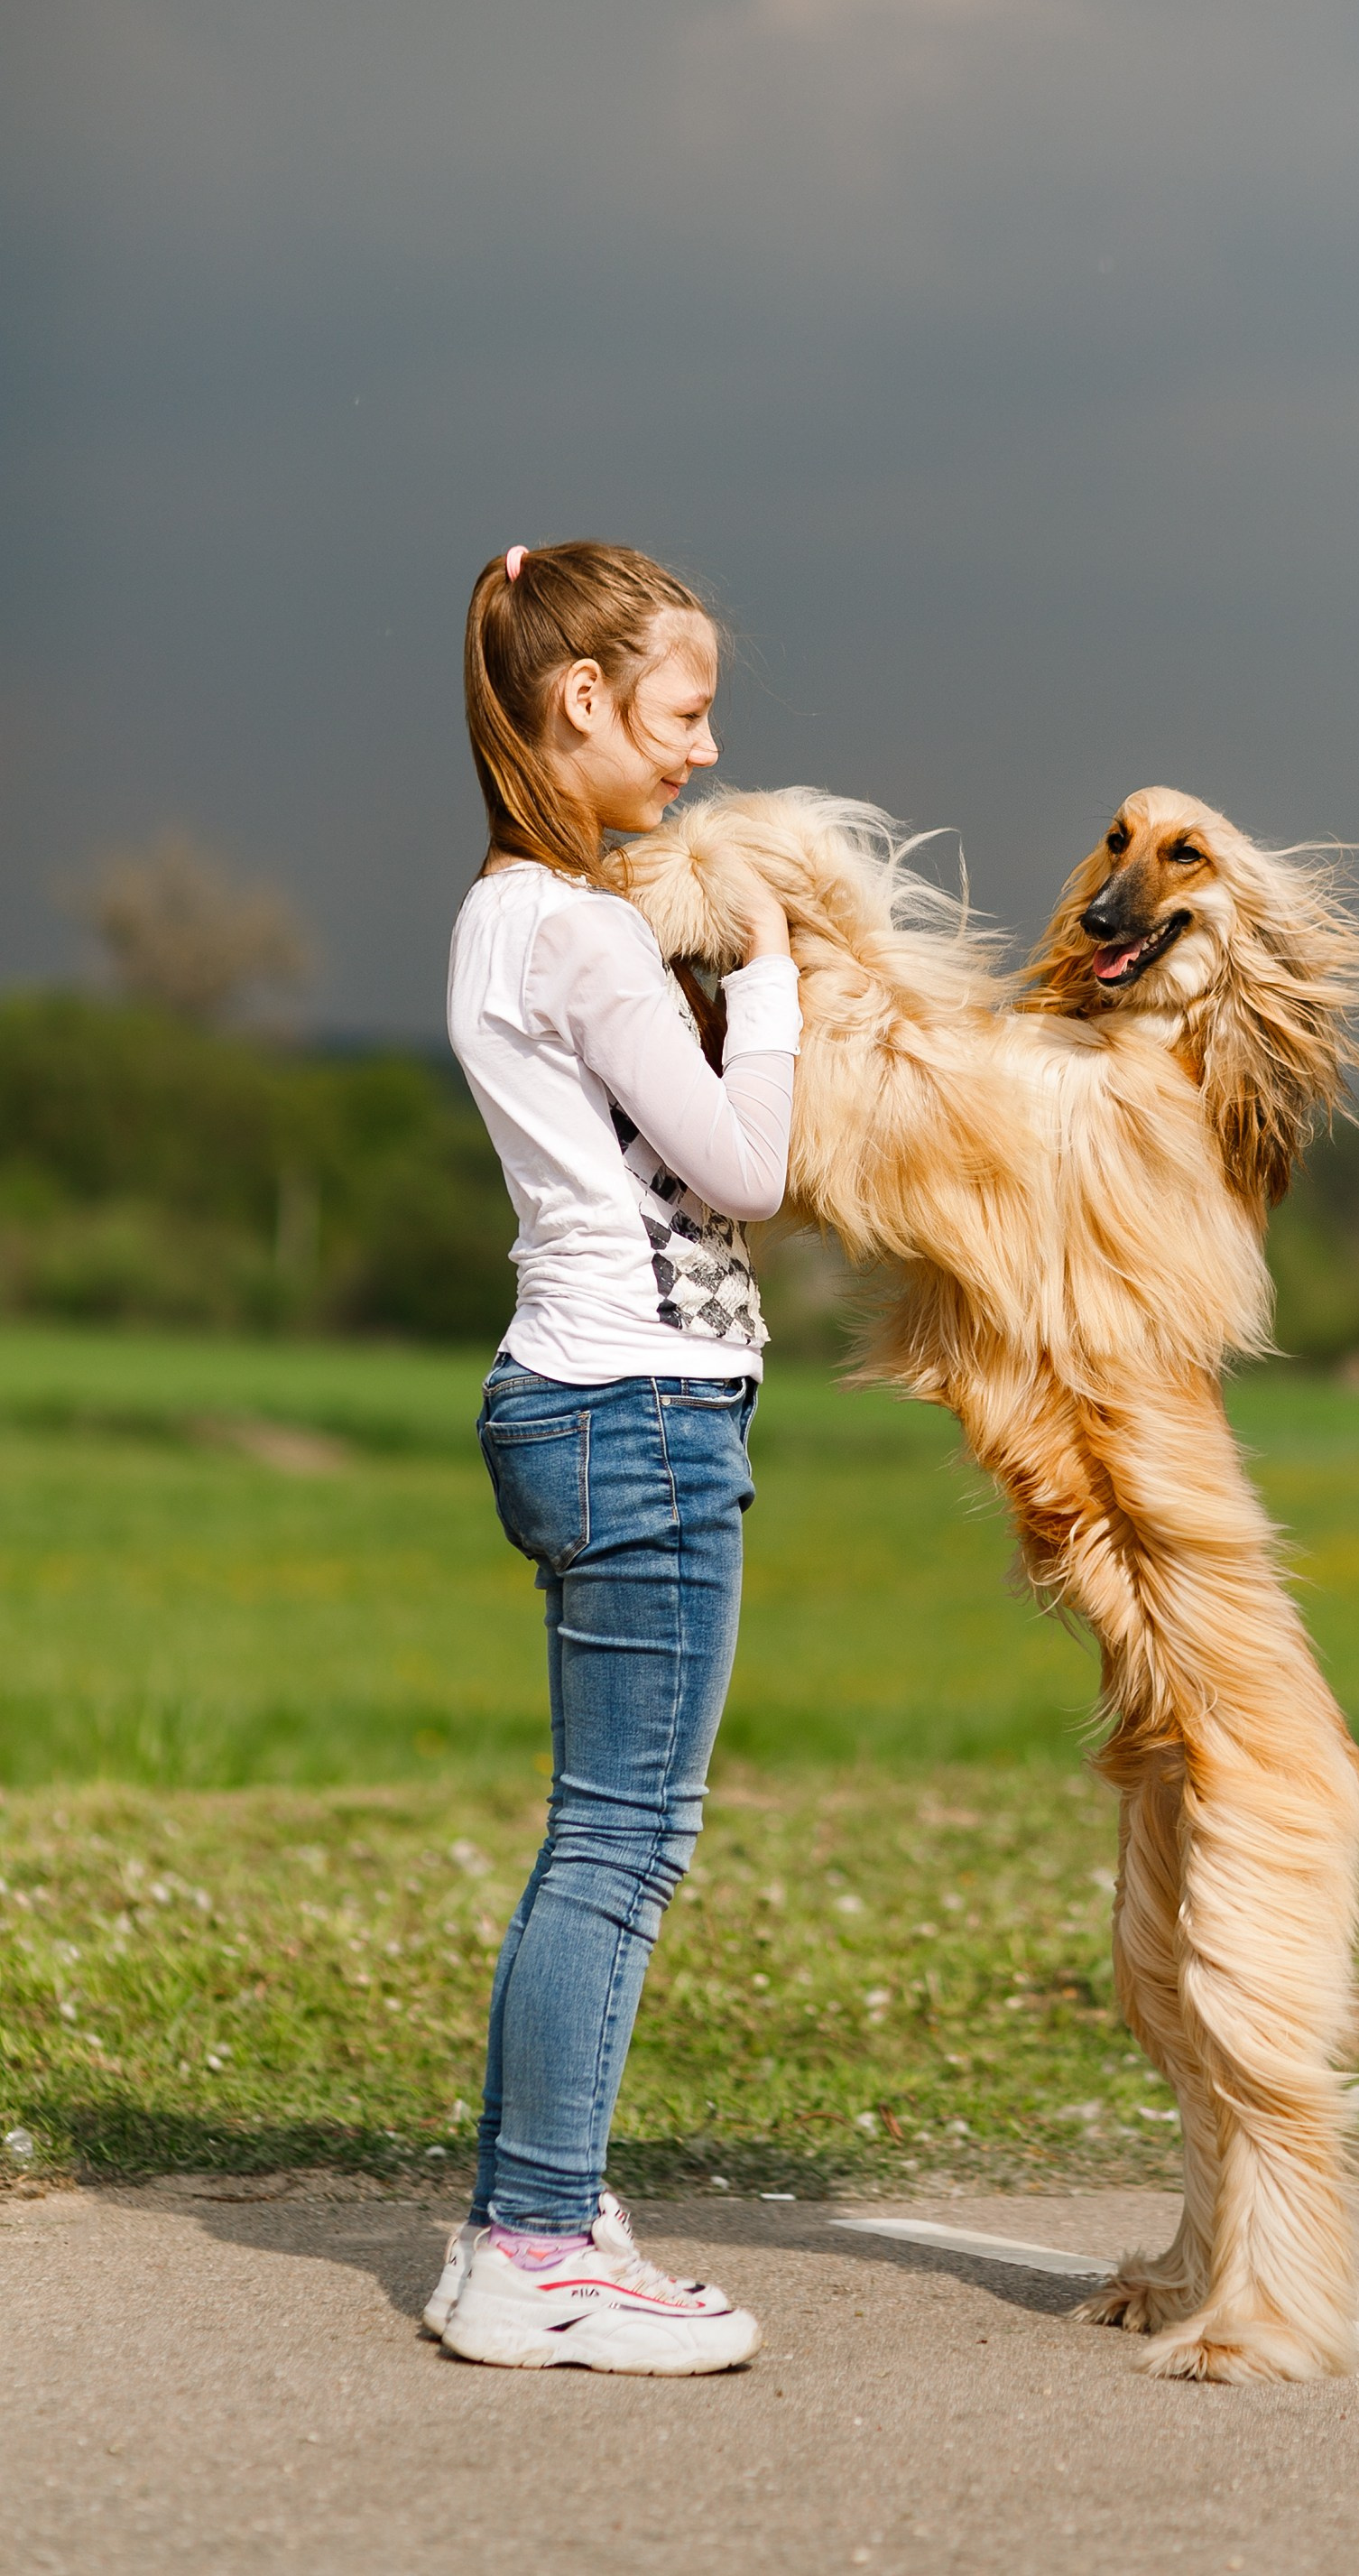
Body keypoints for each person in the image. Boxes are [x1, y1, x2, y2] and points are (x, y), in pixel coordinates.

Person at [425, 540, 798, 2372]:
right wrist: (782, 976)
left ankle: (536, 2207)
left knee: (604, 1840)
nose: (704, 751)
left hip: (576, 1399)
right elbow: (743, 1170)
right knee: (620, 1850)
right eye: (681, 708)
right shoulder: (578, 930)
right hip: (639, 1411)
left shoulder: (501, 916)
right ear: (579, 700)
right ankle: (538, 2244)